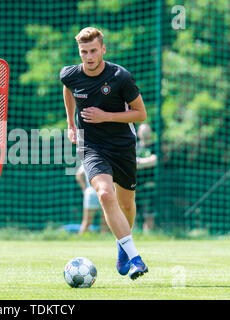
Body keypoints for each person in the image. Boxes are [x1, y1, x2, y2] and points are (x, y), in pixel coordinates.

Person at [60, 27, 148, 280]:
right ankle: (135, 258)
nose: (88, 56)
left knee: (127, 205)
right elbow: (68, 87)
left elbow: (141, 114)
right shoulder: (70, 74)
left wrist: (105, 116)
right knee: (105, 193)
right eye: (83, 51)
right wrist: (70, 123)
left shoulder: (121, 77)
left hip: (123, 146)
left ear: (103, 50)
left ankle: (122, 244)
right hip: (92, 146)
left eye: (93, 51)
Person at [75, 164, 109, 234]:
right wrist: (84, 188)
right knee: (87, 221)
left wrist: (85, 189)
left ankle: (103, 240)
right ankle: (79, 239)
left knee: (105, 221)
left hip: (103, 192)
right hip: (94, 192)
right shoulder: (90, 158)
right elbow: (79, 175)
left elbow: (79, 175)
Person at [136, 123, 158, 232]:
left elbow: (154, 160)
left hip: (149, 186)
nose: (145, 133)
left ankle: (148, 236)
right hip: (134, 185)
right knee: (132, 212)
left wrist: (138, 162)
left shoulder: (155, 146)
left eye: (147, 130)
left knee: (148, 214)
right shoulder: (134, 146)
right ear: (138, 133)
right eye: (142, 131)